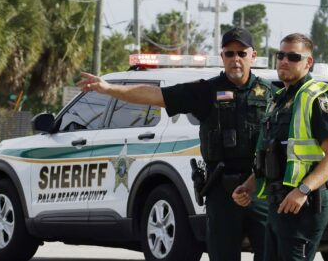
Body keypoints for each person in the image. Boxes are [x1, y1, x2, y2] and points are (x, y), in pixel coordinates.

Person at [77, 28, 275, 261]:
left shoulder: (271, 94)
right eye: (229, 53)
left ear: (253, 55)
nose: (236, 59)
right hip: (222, 191)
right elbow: (154, 95)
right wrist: (109, 88)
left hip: (260, 189)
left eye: (241, 53)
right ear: (222, 57)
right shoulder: (205, 91)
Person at [232, 33, 328, 261]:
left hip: (304, 205)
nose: (284, 61)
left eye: (293, 56)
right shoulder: (279, 100)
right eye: (280, 55)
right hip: (278, 202)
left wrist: (302, 190)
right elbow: (272, 155)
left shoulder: (316, 98)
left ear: (308, 62)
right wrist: (248, 186)